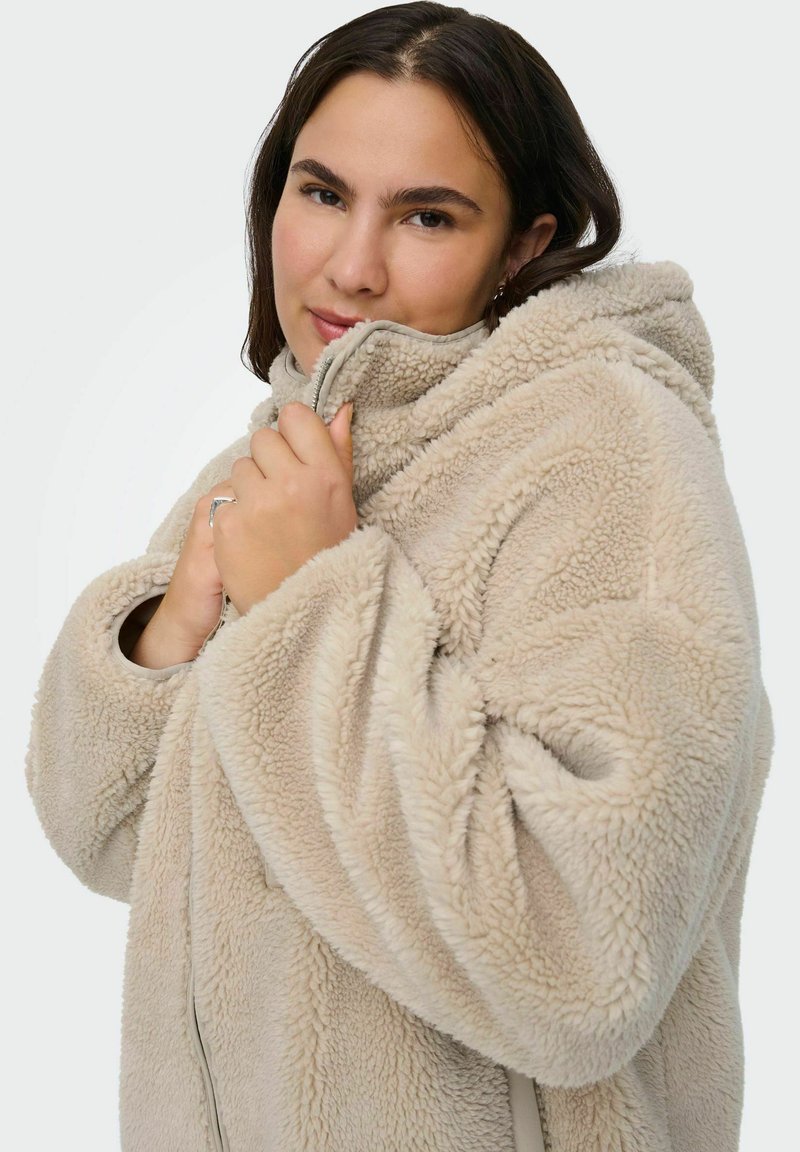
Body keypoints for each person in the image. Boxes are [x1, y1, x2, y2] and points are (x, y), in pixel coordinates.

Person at [25, 3, 773, 1150]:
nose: (350, 266)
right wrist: (173, 627)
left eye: (426, 215)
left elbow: (582, 957)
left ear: (521, 243)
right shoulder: (291, 460)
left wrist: (313, 605)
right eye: (321, 193)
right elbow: (116, 834)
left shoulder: (604, 451)